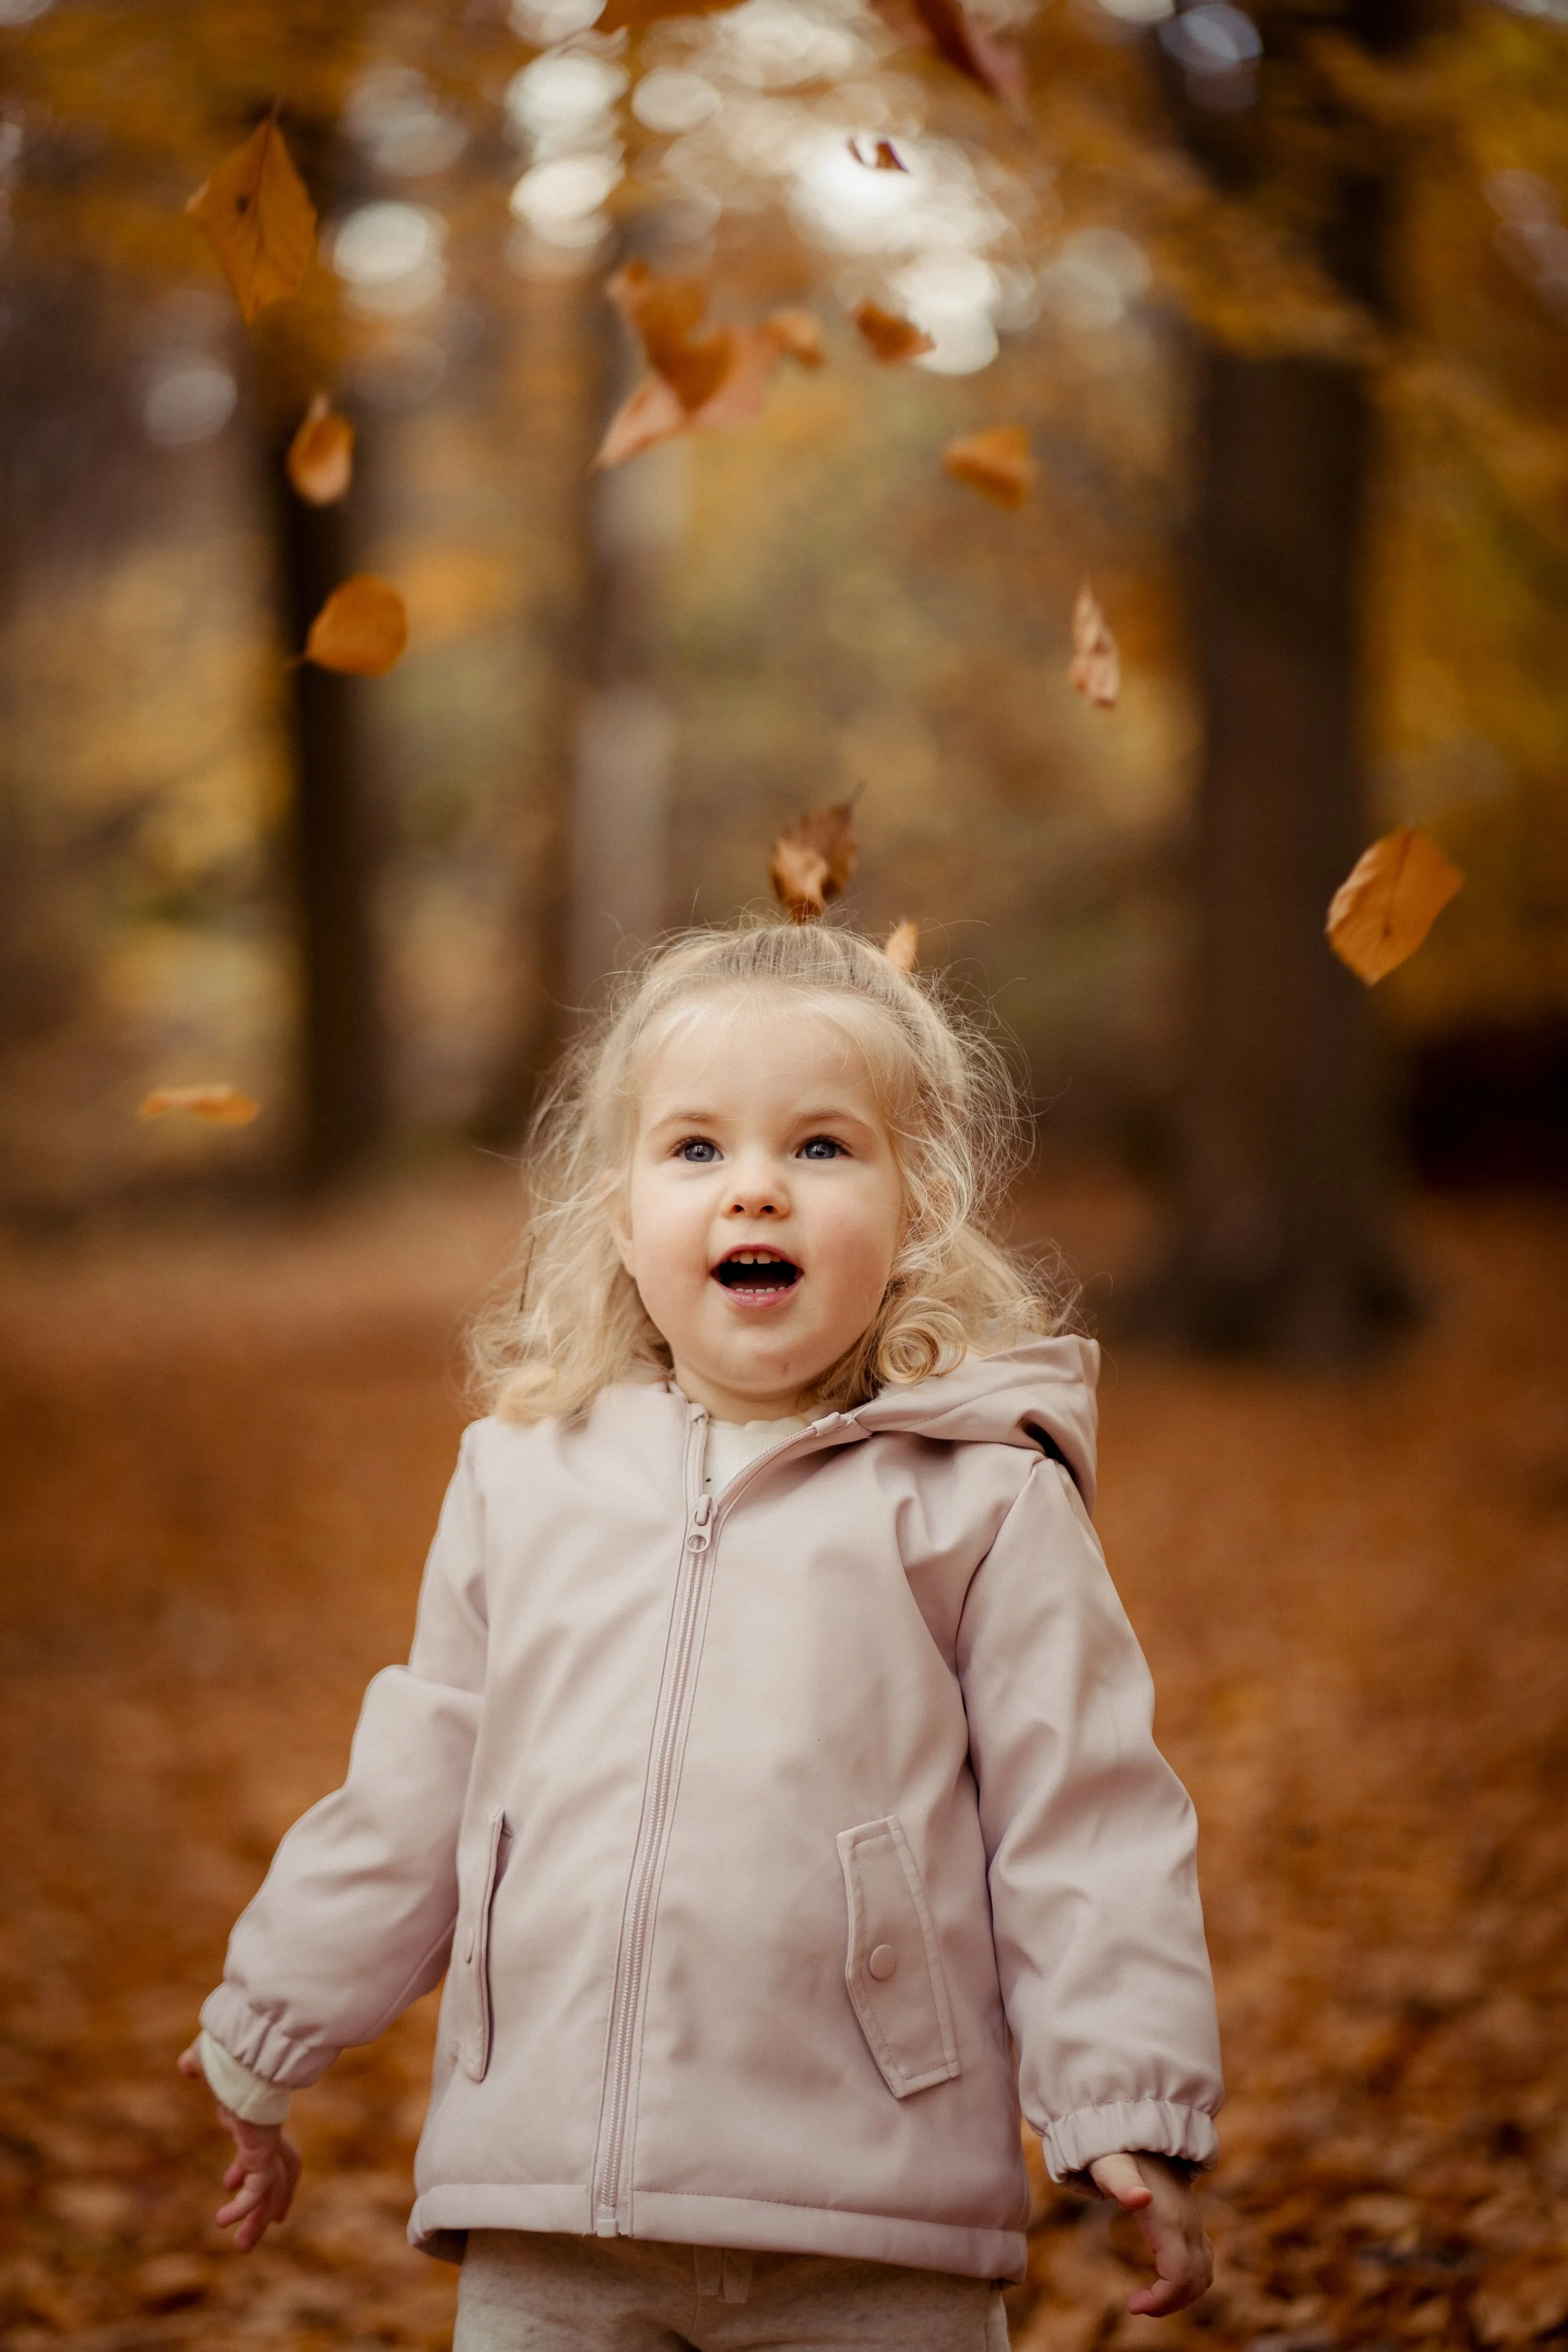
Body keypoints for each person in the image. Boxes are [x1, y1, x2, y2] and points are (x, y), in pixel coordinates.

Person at [179, 918, 1223, 2351]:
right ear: (617, 1219)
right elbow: (419, 1780)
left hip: (869, 2231)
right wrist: (266, 2022)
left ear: (918, 1208)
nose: (754, 1191)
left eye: (818, 1148)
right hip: (554, 2225)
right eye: (693, 1151)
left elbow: (1082, 1824)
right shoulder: (523, 1475)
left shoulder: (980, 1501)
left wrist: (1126, 2107)